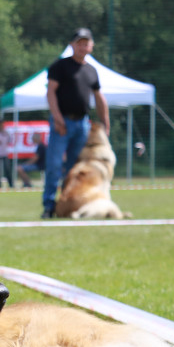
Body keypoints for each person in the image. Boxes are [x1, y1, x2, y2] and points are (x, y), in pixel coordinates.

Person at [41, 27, 109, 218]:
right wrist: (57, 118)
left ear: (91, 46)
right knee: (54, 165)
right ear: (72, 45)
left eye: (86, 43)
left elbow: (99, 97)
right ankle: (48, 205)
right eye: (79, 42)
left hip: (82, 125)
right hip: (62, 124)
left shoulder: (92, 70)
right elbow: (50, 92)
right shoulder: (60, 66)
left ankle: (67, 203)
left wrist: (105, 122)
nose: (82, 46)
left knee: (73, 169)